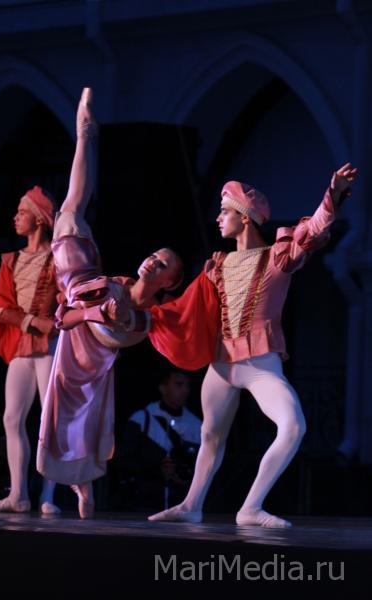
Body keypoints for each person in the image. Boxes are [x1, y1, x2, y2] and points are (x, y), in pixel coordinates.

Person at [113, 162, 357, 527]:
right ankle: (191, 505)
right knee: (211, 436)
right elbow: (188, 308)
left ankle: (250, 507)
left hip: (260, 365)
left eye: (224, 211)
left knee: (293, 426)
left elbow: (313, 230)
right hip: (222, 364)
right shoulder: (218, 266)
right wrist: (141, 316)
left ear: (244, 217)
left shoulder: (277, 256)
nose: (218, 218)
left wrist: (333, 194)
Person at [36, 88, 184, 519]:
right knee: (69, 210)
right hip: (80, 281)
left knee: (77, 420)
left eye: (162, 264)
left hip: (84, 347)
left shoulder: (140, 318)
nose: (152, 260)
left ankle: (81, 488)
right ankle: (85, 135)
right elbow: (82, 313)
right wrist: (77, 309)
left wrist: (78, 312)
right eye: (154, 254)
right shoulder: (123, 283)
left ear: (168, 284)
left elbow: (89, 319)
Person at [0, 186, 61, 514]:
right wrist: (30, 320)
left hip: (49, 345)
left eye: (22, 212)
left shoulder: (58, 258)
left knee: (50, 419)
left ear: (39, 219)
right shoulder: (11, 260)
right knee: (11, 417)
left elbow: (68, 298)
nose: (15, 217)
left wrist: (53, 320)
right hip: (23, 344)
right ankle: (18, 493)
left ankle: (48, 494)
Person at [114, 368, 201, 511]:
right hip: (142, 504)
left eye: (187, 386)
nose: (185, 390)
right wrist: (156, 470)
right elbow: (124, 460)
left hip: (181, 505)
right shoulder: (142, 419)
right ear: (163, 388)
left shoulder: (196, 425)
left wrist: (180, 472)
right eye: (179, 384)